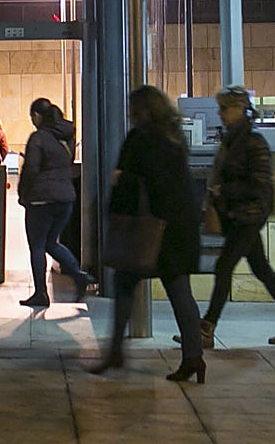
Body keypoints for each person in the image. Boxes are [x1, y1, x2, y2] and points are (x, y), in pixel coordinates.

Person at [90, 85, 205, 383]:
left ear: (140, 111)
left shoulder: (141, 139)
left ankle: (115, 351)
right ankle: (194, 358)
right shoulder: (174, 138)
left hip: (147, 229)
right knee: (180, 293)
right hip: (178, 226)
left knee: (125, 285)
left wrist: (119, 180)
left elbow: (133, 181)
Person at [193, 85, 275, 346]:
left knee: (223, 267)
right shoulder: (233, 138)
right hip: (238, 214)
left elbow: (260, 183)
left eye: (225, 108)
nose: (220, 113)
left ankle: (206, 328)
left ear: (240, 109)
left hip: (248, 214)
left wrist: (225, 190)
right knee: (261, 268)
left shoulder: (252, 141)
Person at [17, 98, 93, 307]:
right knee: (51, 243)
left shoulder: (38, 138)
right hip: (65, 198)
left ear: (38, 116)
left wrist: (23, 194)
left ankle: (41, 293)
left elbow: (31, 169)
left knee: (38, 246)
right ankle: (78, 275)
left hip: (41, 200)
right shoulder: (66, 138)